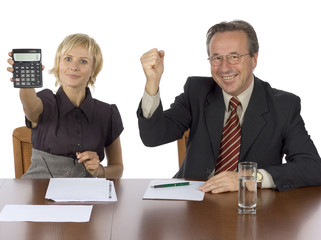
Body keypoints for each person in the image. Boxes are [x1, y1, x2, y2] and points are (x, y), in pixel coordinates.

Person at [137, 20, 321, 193]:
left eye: (234, 57)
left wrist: (249, 178)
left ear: (254, 59)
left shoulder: (284, 105)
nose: (224, 68)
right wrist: (152, 82)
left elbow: (312, 167)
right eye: (216, 58)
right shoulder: (197, 92)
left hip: (252, 206)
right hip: (192, 201)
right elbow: (153, 137)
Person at [7, 33, 124, 178]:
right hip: (40, 194)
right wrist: (25, 84)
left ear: (93, 69)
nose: (74, 67)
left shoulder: (107, 113)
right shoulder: (45, 101)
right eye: (68, 59)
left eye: (83, 61)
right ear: (59, 63)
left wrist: (100, 171)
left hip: (86, 196)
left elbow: (117, 168)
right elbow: (30, 106)